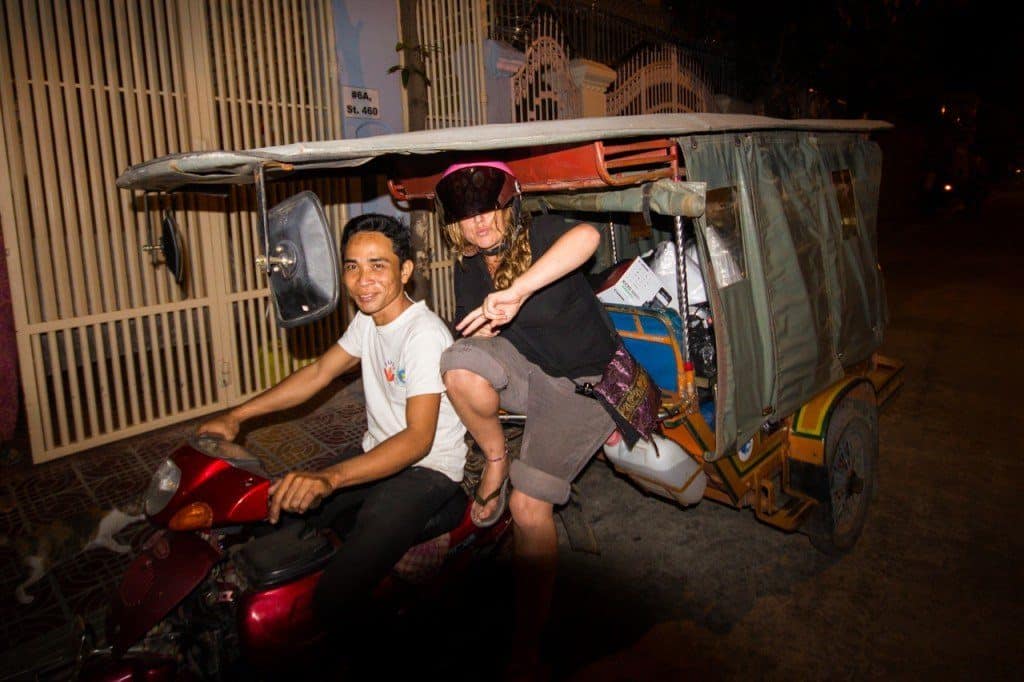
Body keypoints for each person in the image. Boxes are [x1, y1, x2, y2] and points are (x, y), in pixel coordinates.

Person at [198, 213, 467, 631]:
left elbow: (417, 439)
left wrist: (330, 478)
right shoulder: (367, 320)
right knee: (281, 513)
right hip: (376, 452)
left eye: (378, 265)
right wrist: (236, 416)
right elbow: (319, 373)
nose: (363, 280)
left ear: (406, 270)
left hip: (427, 469)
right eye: (352, 266)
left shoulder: (423, 335)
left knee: (338, 592)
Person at [434, 162, 617, 671]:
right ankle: (496, 456)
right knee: (457, 363)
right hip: (532, 374)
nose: (482, 222)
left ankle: (527, 641)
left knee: (529, 504)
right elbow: (482, 338)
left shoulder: (540, 234)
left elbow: (586, 238)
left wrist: (519, 290)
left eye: (490, 207)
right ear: (457, 225)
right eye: (469, 215)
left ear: (508, 203)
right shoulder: (469, 266)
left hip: (583, 382)